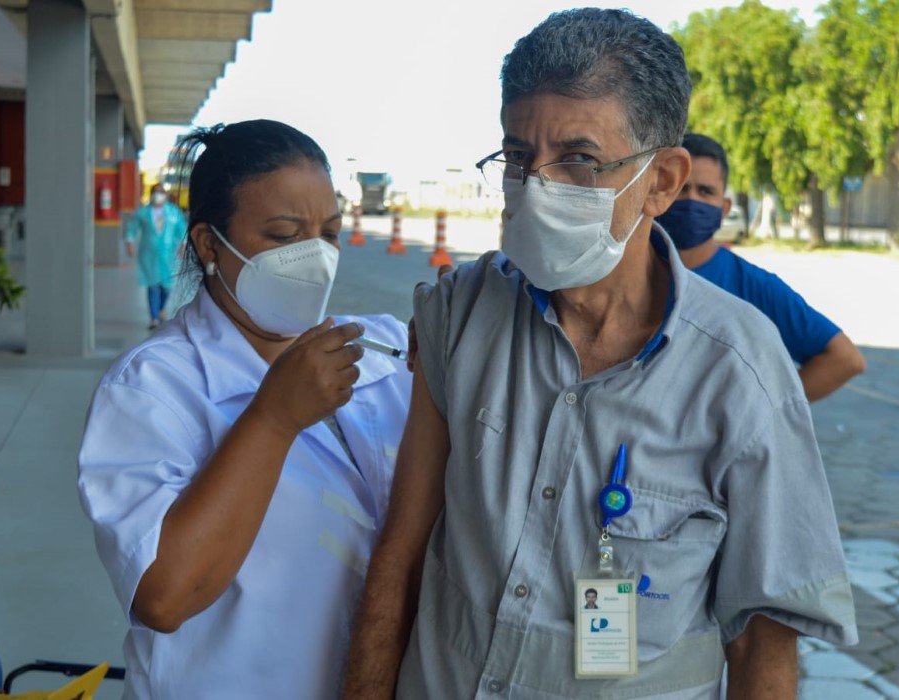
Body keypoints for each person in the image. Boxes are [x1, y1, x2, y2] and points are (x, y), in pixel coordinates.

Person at [342, 8, 856, 700]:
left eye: (579, 161)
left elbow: (763, 642)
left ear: (662, 181)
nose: (538, 187)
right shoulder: (459, 315)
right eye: (518, 157)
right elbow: (401, 551)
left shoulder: (740, 372)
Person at [77, 119, 411, 699]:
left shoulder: (385, 352)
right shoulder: (152, 388)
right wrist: (273, 420)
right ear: (210, 244)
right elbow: (164, 596)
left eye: (329, 234)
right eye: (284, 236)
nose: (315, 258)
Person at [656, 134, 866, 402]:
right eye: (682, 188)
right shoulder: (623, 272)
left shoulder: (753, 286)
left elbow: (845, 359)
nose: (691, 200)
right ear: (657, 192)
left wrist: (760, 411)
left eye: (705, 191)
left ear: (724, 208)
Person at [125, 184, 186, 329]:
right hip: (149, 254)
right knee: (153, 286)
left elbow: (182, 229)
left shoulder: (173, 212)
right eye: (156, 192)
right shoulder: (143, 213)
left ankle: (161, 309)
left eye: (161, 192)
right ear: (151, 194)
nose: (158, 195)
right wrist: (129, 242)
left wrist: (183, 244)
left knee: (166, 287)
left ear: (166, 195)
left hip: (168, 254)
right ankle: (154, 318)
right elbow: (131, 228)